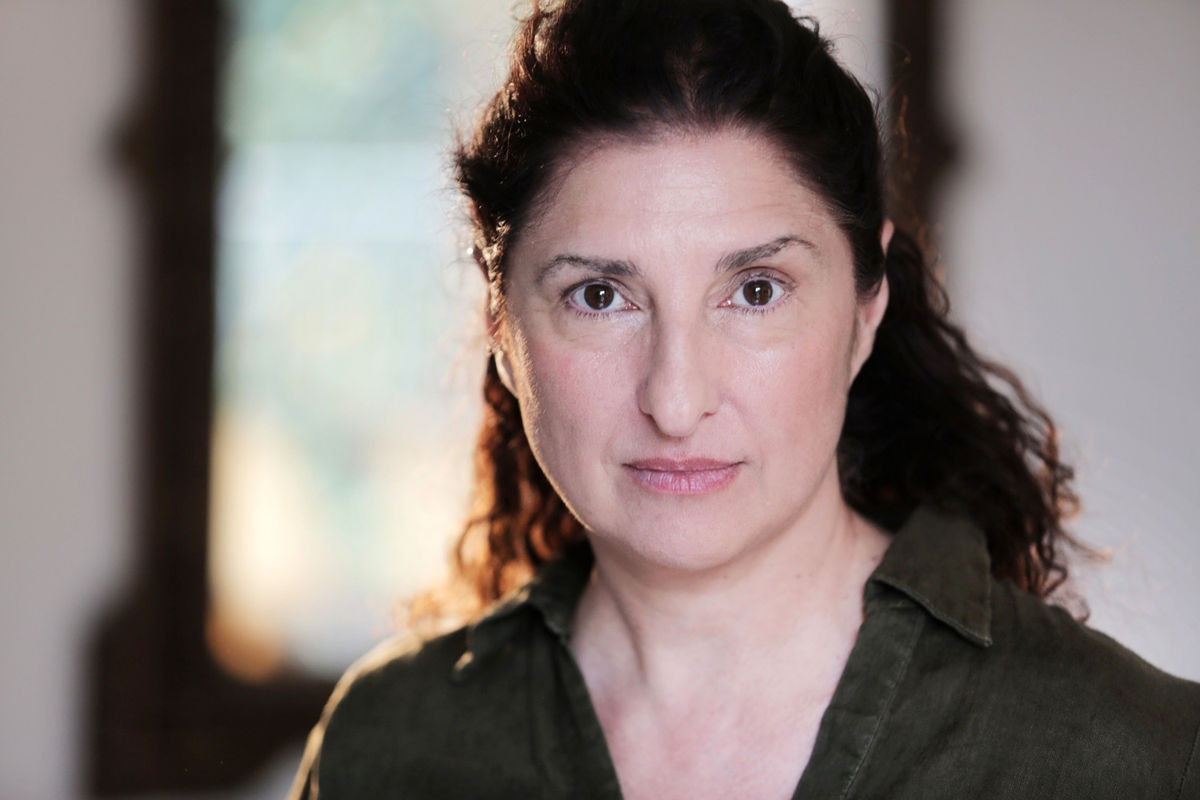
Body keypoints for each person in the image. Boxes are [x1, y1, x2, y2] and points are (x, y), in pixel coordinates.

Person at [289, 1, 1200, 797]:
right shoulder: (387, 752)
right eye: (599, 296)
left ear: (866, 310)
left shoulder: (1136, 758)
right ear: (502, 327)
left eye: (756, 291)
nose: (676, 401)